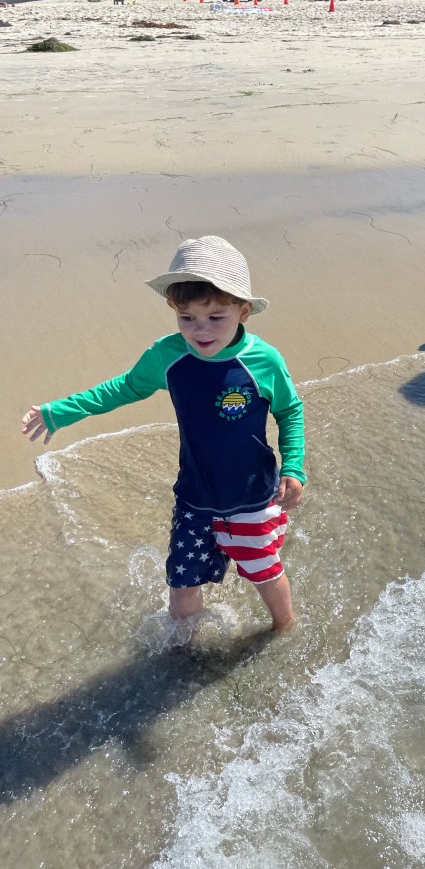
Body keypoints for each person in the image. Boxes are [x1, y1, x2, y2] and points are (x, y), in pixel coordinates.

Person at [21, 236, 306, 632]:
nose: (200, 330)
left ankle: (285, 629)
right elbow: (124, 387)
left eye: (216, 317)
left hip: (251, 498)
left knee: (265, 573)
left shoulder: (264, 360)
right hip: (194, 496)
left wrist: (294, 468)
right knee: (181, 585)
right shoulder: (168, 355)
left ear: (243, 311)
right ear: (174, 309)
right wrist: (61, 411)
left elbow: (290, 411)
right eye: (187, 318)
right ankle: (183, 653)